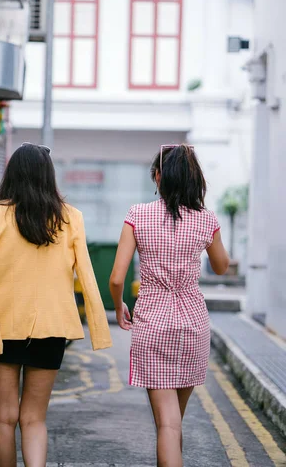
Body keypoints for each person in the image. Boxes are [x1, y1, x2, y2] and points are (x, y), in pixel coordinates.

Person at [0, 143, 112, 467]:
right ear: (48, 175)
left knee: (3, 417)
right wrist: (99, 328)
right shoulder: (71, 218)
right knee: (34, 418)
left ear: (12, 174)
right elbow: (86, 272)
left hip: (2, 327)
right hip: (53, 328)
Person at [109, 144, 229, 467]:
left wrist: (120, 305)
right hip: (193, 325)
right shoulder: (206, 220)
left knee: (167, 424)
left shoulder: (138, 215)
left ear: (159, 178)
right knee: (175, 422)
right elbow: (221, 266)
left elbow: (117, 277)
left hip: (152, 324)